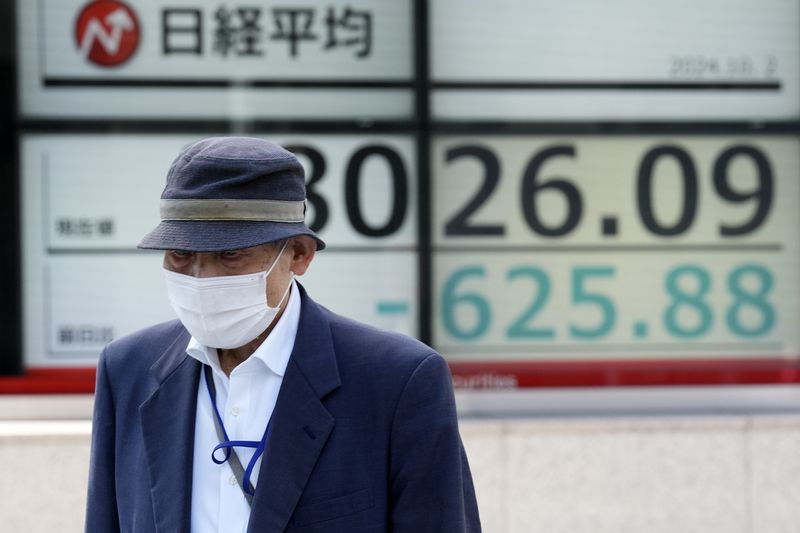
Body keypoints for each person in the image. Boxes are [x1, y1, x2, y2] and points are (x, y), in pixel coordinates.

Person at [85, 137, 481, 532]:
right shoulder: (128, 370)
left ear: (299, 254)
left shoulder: (397, 381)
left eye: (230, 255)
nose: (201, 279)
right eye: (180, 255)